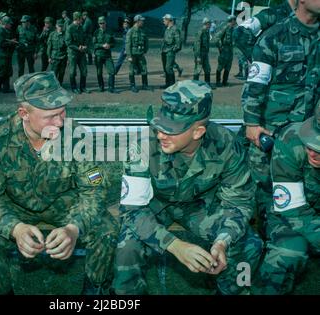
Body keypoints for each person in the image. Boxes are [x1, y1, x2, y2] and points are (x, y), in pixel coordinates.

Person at [0, 71, 119, 295]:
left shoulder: (75, 135)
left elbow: (94, 190)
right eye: (50, 116)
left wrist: (74, 228)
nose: (59, 122)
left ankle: (94, 289)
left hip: (66, 207)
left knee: (107, 230)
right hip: (15, 209)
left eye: (62, 112)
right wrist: (15, 228)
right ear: (24, 113)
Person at [113, 80, 263, 295]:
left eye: (171, 130)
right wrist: (174, 245)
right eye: (158, 125)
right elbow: (132, 210)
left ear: (197, 132)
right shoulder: (142, 147)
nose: (160, 135)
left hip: (200, 205)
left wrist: (222, 241)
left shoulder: (227, 145)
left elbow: (239, 201)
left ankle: (233, 290)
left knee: (249, 244)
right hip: (153, 205)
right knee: (127, 249)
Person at [241, 0, 320, 235]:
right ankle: (260, 239)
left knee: (300, 185)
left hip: (308, 133)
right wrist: (252, 123)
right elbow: (256, 83)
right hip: (270, 131)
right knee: (263, 187)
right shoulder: (275, 36)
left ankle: (295, 234)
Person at [254, 103, 320, 295]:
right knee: (289, 250)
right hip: (287, 211)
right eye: (311, 142)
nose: (313, 152)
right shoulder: (291, 139)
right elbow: (292, 210)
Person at [65, 11, 90, 94]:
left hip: (81, 53)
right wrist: (77, 47)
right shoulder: (70, 28)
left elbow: (85, 38)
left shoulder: (81, 27)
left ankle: (83, 87)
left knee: (84, 70)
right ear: (77, 19)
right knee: (72, 71)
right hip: (73, 53)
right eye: (80, 19)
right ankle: (74, 88)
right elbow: (68, 42)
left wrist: (85, 45)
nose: (82, 20)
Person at [0, 16, 17, 93]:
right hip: (1, 55)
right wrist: (11, 42)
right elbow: (1, 43)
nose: (11, 25)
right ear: (5, 23)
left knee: (7, 71)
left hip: (6, 54)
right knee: (3, 72)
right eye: (9, 24)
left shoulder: (5, 30)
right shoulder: (0, 30)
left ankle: (5, 88)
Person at [126, 15, 150, 93]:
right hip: (133, 54)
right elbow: (127, 44)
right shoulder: (131, 31)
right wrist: (129, 55)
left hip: (140, 53)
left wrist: (145, 50)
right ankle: (132, 86)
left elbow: (146, 41)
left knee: (144, 68)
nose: (143, 22)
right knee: (132, 70)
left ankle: (145, 85)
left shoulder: (142, 31)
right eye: (141, 21)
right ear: (137, 21)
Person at [93, 16, 117, 93]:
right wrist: (102, 45)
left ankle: (111, 87)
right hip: (99, 55)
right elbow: (93, 45)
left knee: (112, 71)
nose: (102, 25)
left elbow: (114, 43)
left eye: (103, 23)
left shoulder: (110, 31)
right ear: (98, 23)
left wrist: (110, 45)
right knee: (99, 72)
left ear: (105, 23)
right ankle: (101, 86)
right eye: (100, 23)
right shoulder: (96, 32)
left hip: (107, 55)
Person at [160, 14, 181, 89]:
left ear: (169, 20)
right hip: (164, 51)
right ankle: (167, 84)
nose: (163, 21)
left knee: (169, 68)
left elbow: (178, 43)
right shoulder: (167, 29)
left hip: (170, 51)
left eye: (164, 20)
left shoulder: (175, 29)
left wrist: (173, 51)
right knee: (165, 68)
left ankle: (172, 85)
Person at [215, 15, 236, 88]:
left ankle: (224, 82)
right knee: (220, 66)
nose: (235, 21)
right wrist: (220, 47)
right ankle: (218, 82)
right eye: (234, 20)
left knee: (228, 66)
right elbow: (217, 37)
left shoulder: (233, 29)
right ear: (231, 20)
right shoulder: (225, 28)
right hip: (224, 51)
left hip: (230, 51)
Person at [193, 18, 214, 88]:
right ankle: (194, 85)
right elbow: (197, 45)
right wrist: (198, 56)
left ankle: (207, 84)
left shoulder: (207, 32)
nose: (211, 25)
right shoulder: (200, 32)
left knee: (207, 69)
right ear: (206, 24)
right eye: (210, 23)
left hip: (205, 54)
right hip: (200, 54)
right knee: (198, 69)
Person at [47, 19, 67, 85]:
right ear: (56, 26)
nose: (60, 27)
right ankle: (53, 85)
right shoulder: (52, 34)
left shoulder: (66, 35)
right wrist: (49, 57)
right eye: (59, 26)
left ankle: (60, 84)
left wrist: (68, 58)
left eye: (62, 26)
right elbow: (49, 47)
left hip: (63, 57)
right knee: (54, 72)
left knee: (62, 73)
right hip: (54, 57)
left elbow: (68, 47)